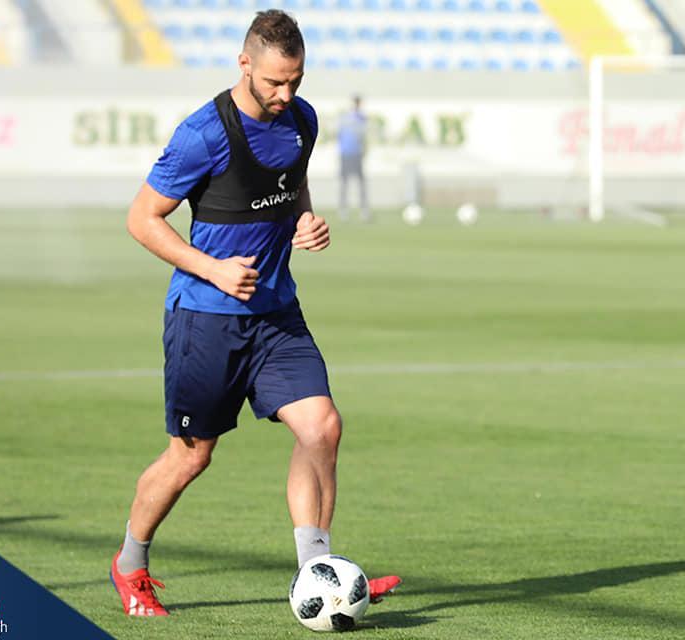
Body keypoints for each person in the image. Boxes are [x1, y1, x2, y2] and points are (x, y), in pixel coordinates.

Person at [109, 10, 400, 617]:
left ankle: (318, 573)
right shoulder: (203, 133)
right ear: (244, 64)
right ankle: (130, 564)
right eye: (274, 82)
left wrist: (304, 220)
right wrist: (212, 268)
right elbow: (141, 218)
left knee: (322, 428)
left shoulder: (302, 120)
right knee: (191, 455)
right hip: (205, 319)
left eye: (295, 80)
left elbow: (292, 185)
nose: (285, 94)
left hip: (276, 314)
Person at [337, 94, 371, 222]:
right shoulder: (346, 117)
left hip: (356, 154)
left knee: (361, 183)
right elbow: (340, 135)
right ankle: (343, 210)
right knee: (344, 183)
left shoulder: (362, 118)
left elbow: (364, 136)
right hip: (346, 154)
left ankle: (364, 210)